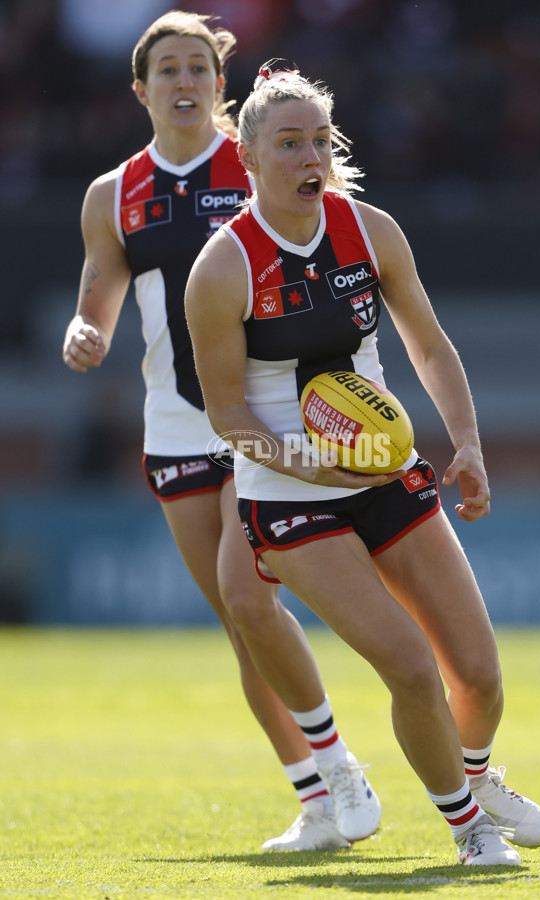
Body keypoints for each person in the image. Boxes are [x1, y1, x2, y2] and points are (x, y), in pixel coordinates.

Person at [184, 63, 540, 865]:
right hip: (288, 496)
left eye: (320, 140)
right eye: (289, 144)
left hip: (386, 475)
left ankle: (478, 774)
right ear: (248, 157)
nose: (309, 157)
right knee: (411, 666)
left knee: (481, 678)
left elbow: (427, 343)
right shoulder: (222, 267)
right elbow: (227, 412)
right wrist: (313, 467)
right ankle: (468, 828)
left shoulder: (369, 229)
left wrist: (469, 444)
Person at [62, 12, 383, 852]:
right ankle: (320, 792)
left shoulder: (260, 164)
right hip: (174, 426)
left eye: (198, 67)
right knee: (243, 624)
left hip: (259, 423)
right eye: (166, 69)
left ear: (220, 84)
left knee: (252, 597)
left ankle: (347, 772)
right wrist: (84, 330)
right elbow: (98, 292)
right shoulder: (113, 195)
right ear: (141, 89)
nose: (183, 82)